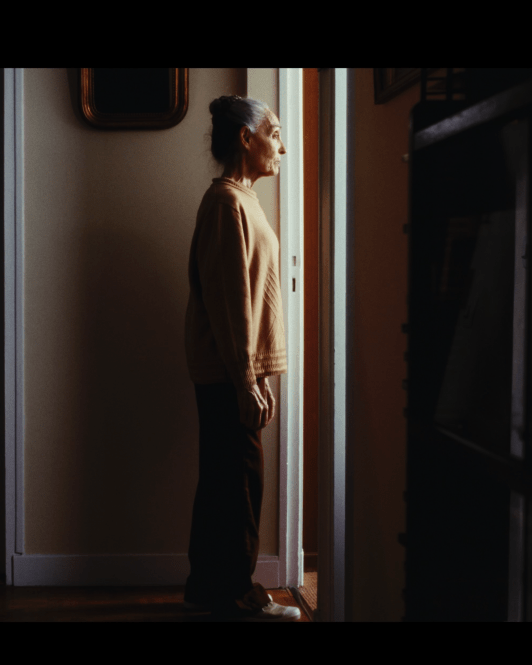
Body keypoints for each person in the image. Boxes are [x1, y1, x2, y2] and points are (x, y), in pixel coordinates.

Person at [182, 95, 300, 621]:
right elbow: (230, 302)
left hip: (233, 368)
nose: (281, 146)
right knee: (240, 484)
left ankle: (204, 589)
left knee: (223, 479)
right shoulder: (226, 203)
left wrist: (254, 374)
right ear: (246, 139)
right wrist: (245, 378)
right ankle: (236, 593)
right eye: (274, 133)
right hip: (228, 371)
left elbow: (246, 296)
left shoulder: (242, 200)